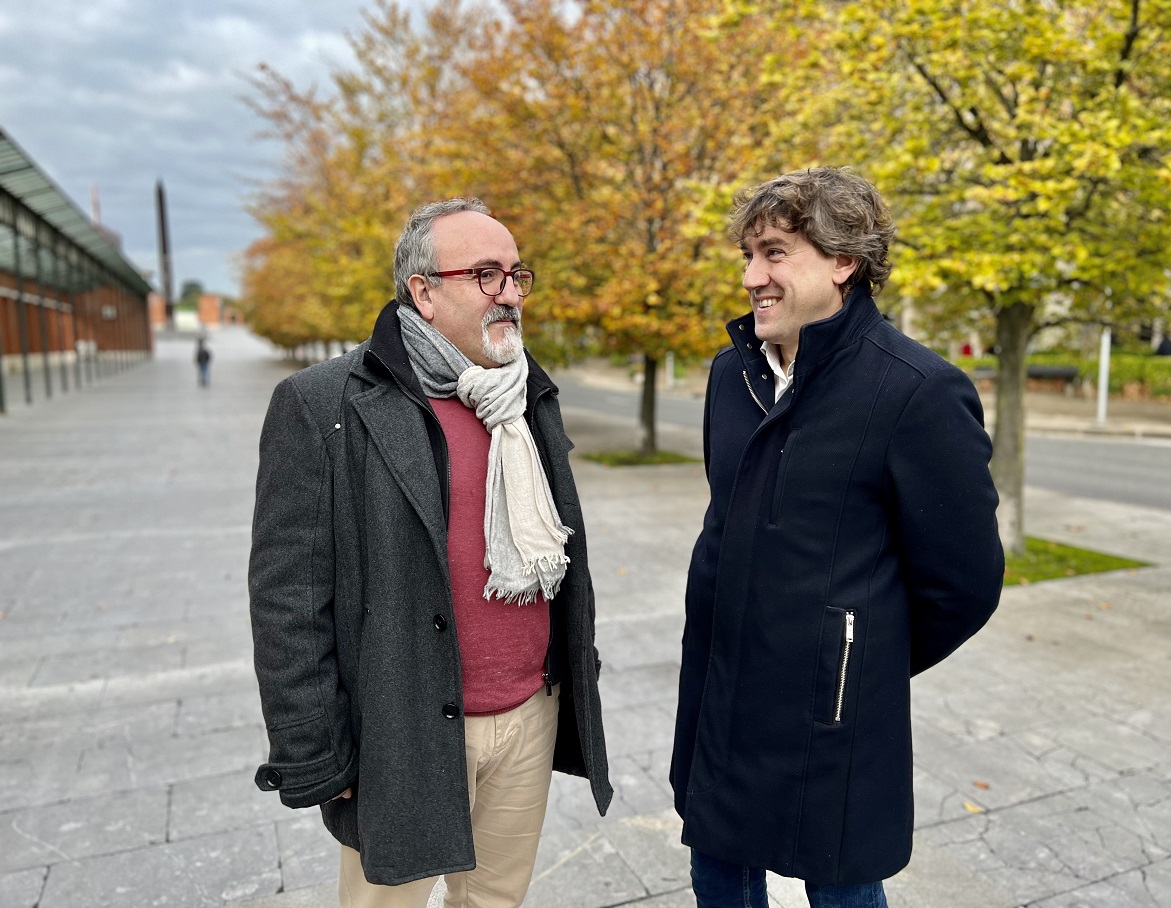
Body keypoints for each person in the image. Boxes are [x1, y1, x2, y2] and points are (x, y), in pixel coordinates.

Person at [249, 198, 611, 908]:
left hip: (529, 715)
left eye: (515, 273)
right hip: (401, 728)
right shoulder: (325, 404)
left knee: (494, 903)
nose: (509, 292)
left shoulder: (525, 393)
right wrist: (318, 752)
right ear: (423, 290)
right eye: (484, 274)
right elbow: (287, 598)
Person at [670, 167, 1004, 908]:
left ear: (843, 261)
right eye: (749, 256)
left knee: (842, 890)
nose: (753, 275)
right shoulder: (733, 376)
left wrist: (851, 655)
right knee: (717, 876)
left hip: (835, 715)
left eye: (776, 253)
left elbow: (966, 584)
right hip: (722, 703)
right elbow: (725, 523)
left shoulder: (917, 391)